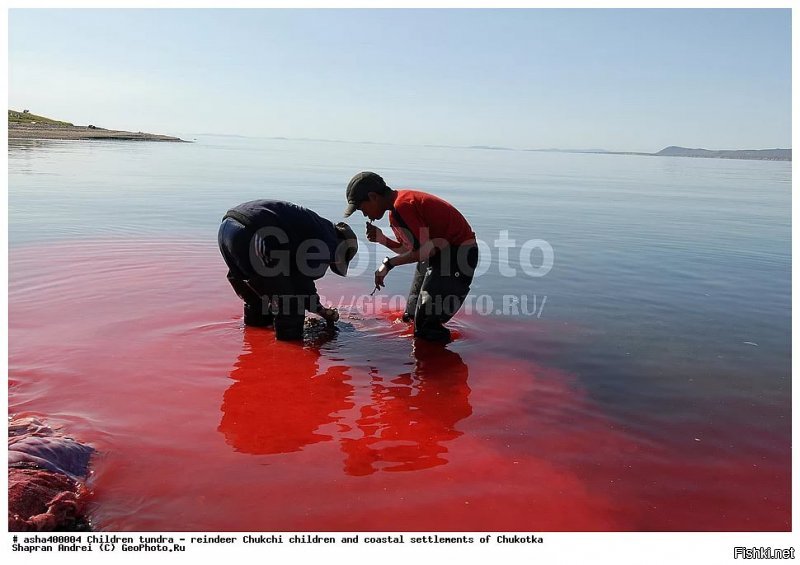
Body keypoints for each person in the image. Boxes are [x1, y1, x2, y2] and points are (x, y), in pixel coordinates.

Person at [344, 171, 478, 342]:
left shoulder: (403, 206)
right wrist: (382, 240)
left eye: (361, 208)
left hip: (458, 255)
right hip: (436, 253)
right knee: (411, 315)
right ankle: (421, 358)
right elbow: (411, 250)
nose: (364, 214)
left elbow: (425, 251)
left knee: (427, 323)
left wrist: (388, 264)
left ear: (373, 196)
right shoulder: (395, 212)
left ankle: (440, 365)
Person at [218, 199, 357, 341]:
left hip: (227, 229)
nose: (329, 264)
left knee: (259, 301)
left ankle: (254, 345)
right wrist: (319, 309)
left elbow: (294, 275)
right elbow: (301, 281)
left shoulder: (316, 228)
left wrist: (318, 308)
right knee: (291, 307)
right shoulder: (329, 242)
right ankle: (291, 354)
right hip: (253, 233)